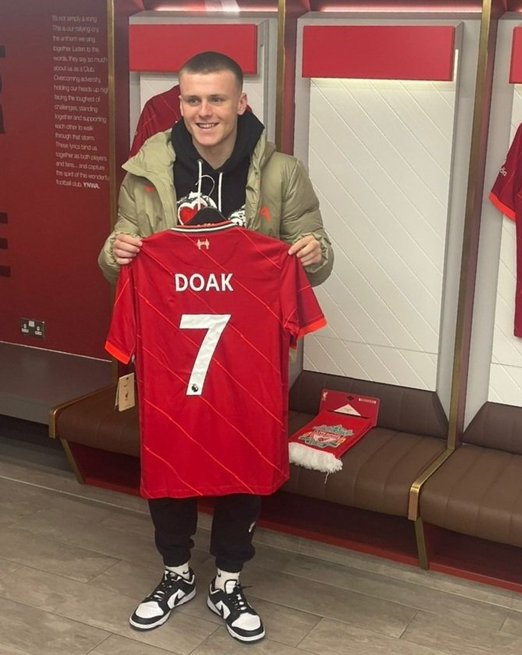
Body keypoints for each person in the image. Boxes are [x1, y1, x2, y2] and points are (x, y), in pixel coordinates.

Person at [98, 51, 333, 644]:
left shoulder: (281, 172)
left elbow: (316, 252)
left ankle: (228, 580)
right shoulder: (145, 170)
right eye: (193, 100)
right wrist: (116, 252)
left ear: (241, 102)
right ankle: (175, 573)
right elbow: (119, 255)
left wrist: (312, 253)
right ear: (180, 103)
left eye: (217, 99)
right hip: (171, 354)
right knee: (168, 455)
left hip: (246, 355)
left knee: (243, 460)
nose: (204, 111)